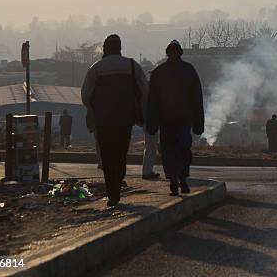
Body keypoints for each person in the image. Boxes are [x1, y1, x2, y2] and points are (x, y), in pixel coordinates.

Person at [81, 34, 148, 207]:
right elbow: (144, 91)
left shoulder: (96, 69)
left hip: (103, 121)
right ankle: (118, 181)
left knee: (107, 155)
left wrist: (93, 110)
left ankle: (113, 192)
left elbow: (85, 95)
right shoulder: (132, 66)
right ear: (120, 47)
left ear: (104, 48)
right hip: (125, 119)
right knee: (120, 153)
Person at [147, 40, 204, 196]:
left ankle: (175, 180)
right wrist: (198, 122)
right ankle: (180, 179)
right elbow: (197, 99)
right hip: (181, 120)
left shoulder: (159, 73)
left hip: (169, 121)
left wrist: (151, 122)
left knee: (171, 152)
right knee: (181, 150)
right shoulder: (188, 71)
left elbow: (152, 101)